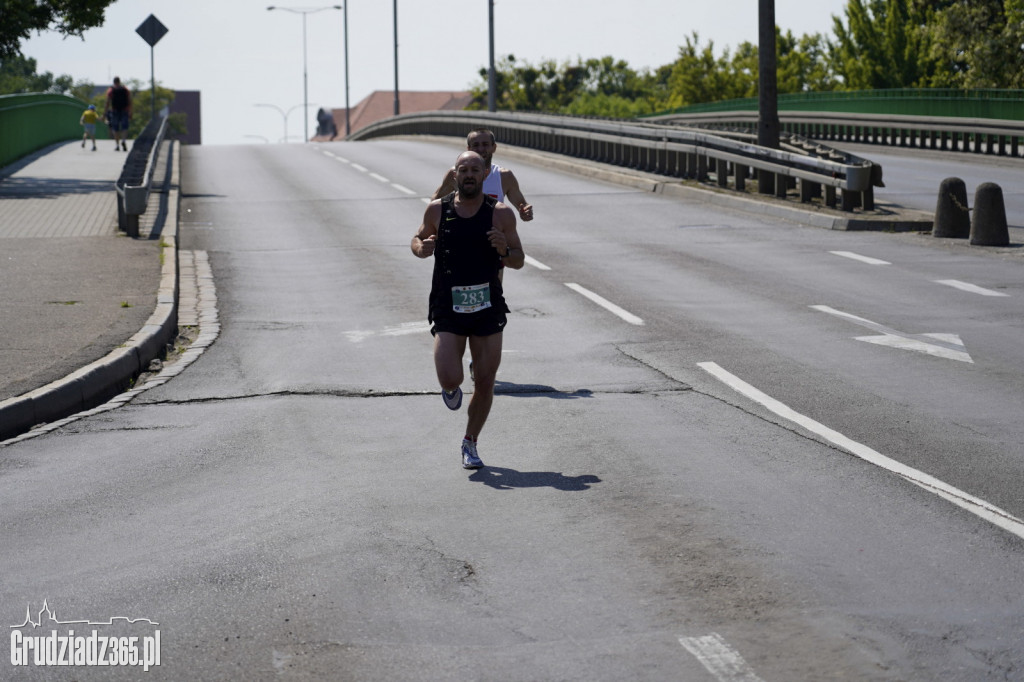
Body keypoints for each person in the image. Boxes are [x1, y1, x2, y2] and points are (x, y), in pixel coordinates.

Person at [412, 151, 525, 469]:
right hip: (448, 302)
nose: (470, 174)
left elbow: (519, 258)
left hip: (487, 302)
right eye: (464, 170)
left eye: (476, 169)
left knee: (486, 380)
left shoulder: (500, 214)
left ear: (485, 172)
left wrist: (505, 249)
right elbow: (417, 239)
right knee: (450, 377)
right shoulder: (438, 209)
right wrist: (422, 248)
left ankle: (470, 442)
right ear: (455, 175)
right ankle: (450, 388)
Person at [431, 128, 533, 223]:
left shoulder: (504, 176)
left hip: (493, 238)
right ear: (469, 148)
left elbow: (522, 204)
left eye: (485, 144)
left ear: (494, 147)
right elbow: (435, 202)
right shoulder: (456, 174)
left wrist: (526, 212)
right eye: (476, 145)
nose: (480, 149)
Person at [104, 77, 132, 151]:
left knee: (115, 128)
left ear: (114, 82)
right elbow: (129, 100)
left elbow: (107, 102)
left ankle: (117, 145)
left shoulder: (111, 90)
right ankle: (123, 140)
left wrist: (105, 113)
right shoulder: (125, 89)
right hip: (124, 110)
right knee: (124, 127)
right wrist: (130, 111)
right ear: (120, 81)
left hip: (115, 110)